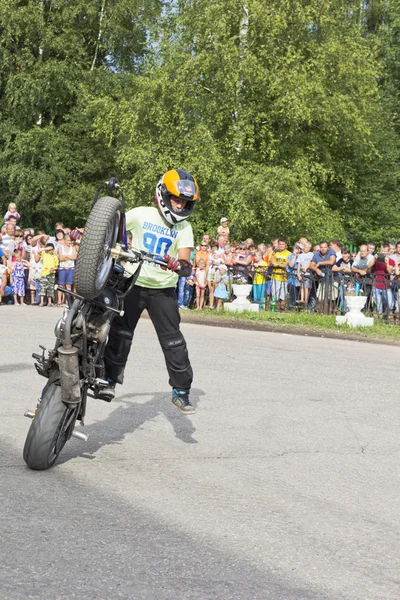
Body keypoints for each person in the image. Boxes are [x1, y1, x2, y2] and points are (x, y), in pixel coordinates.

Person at [103, 169, 199, 414]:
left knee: (174, 341)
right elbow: (114, 228)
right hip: (133, 282)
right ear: (163, 195)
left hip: (163, 290)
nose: (179, 204)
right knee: (120, 333)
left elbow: (186, 263)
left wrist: (180, 266)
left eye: (185, 201)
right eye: (176, 199)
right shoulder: (141, 214)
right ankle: (109, 379)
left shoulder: (185, 228)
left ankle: (181, 392)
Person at [269, 238, 291, 309]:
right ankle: (275, 309)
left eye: (283, 244)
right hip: (275, 276)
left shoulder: (289, 254)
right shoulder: (275, 252)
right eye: (280, 244)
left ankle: (282, 310)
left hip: (284, 277)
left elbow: (288, 265)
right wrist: (272, 255)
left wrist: (278, 265)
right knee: (275, 295)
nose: (281, 246)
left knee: (283, 296)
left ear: (286, 245)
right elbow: (271, 263)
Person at [38, 243, 59, 307]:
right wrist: (45, 249)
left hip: (52, 274)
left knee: (50, 288)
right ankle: (41, 302)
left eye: (52, 249)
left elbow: (57, 266)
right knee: (43, 288)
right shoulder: (45, 254)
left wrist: (53, 269)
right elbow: (38, 251)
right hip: (44, 274)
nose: (50, 251)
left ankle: (49, 302)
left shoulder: (55, 257)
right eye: (49, 249)